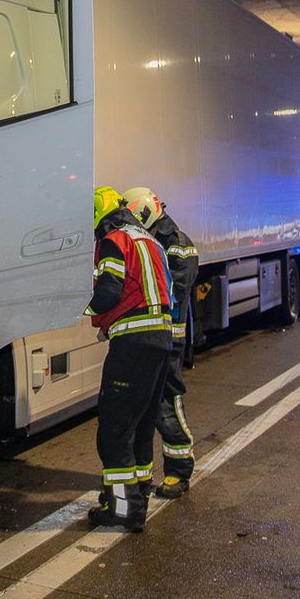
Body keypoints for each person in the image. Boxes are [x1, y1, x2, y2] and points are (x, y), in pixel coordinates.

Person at [86, 186, 173, 530]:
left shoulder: (114, 241)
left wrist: (79, 308)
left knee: (114, 431)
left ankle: (122, 510)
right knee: (140, 427)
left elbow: (109, 291)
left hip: (132, 343)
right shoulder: (148, 240)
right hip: (160, 340)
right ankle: (136, 498)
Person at [120, 187, 199, 499]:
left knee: (167, 404)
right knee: (143, 407)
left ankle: (179, 470)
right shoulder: (153, 243)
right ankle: (141, 476)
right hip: (152, 338)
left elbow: (172, 292)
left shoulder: (179, 248)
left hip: (168, 341)